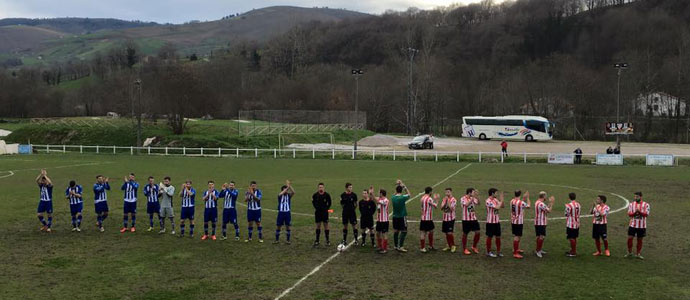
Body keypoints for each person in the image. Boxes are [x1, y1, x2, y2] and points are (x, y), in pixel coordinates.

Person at [626, 192, 650, 259]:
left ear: (641, 197)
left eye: (637, 197)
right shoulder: (631, 204)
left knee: (640, 240)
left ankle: (638, 254)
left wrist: (640, 212)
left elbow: (646, 215)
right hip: (632, 225)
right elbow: (629, 214)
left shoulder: (646, 205)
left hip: (642, 226)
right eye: (635, 197)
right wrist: (635, 212)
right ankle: (629, 252)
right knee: (629, 238)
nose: (635, 198)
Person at [391, 179, 411, 252]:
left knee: (396, 231)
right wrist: (404, 186)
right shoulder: (402, 198)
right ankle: (401, 246)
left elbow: (395, 193)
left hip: (395, 217)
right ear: (401, 190)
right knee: (404, 231)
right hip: (402, 217)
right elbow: (409, 194)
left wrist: (398, 185)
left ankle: (396, 245)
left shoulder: (393, 198)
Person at [510, 190, 530, 259]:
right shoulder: (521, 202)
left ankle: (516, 249)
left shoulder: (512, 201)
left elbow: (520, 203)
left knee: (518, 235)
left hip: (513, 220)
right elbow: (528, 206)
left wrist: (523, 198)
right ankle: (515, 253)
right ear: (520, 194)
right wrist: (527, 198)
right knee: (517, 236)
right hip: (518, 221)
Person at [485, 188, 505, 258]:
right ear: (492, 193)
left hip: (497, 222)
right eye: (496, 193)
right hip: (490, 222)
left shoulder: (495, 200)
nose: (497, 194)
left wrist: (502, 200)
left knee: (498, 237)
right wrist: (501, 200)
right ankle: (488, 252)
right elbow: (497, 208)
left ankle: (498, 251)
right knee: (489, 237)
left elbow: (502, 206)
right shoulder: (488, 201)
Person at [461, 188, 481, 255]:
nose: (474, 193)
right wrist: (472, 199)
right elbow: (466, 205)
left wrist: (477, 196)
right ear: (469, 192)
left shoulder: (473, 198)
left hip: (473, 219)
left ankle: (474, 246)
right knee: (465, 234)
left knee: (478, 232)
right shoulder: (463, 198)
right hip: (466, 219)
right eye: (473, 192)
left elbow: (478, 203)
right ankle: (464, 249)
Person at [534, 191, 554, 258]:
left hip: (537, 222)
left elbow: (546, 209)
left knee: (538, 236)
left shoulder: (538, 202)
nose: (546, 197)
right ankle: (538, 251)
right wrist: (552, 203)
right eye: (546, 196)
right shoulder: (541, 204)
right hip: (541, 223)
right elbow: (549, 211)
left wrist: (549, 203)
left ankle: (538, 249)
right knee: (541, 237)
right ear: (543, 196)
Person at [419, 186, 439, 253]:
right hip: (428, 218)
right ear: (430, 192)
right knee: (430, 231)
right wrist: (437, 199)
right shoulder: (429, 199)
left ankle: (423, 247)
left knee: (424, 232)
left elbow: (421, 207)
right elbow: (435, 206)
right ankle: (429, 246)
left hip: (423, 218)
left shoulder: (422, 198)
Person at [440, 188, 457, 253]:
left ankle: (453, 245)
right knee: (446, 233)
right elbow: (441, 208)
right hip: (445, 218)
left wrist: (448, 202)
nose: (447, 193)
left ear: (451, 192)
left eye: (448, 192)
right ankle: (449, 245)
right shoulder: (444, 199)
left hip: (451, 218)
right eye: (446, 192)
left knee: (450, 233)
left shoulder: (454, 200)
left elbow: (451, 209)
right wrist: (445, 202)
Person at [564, 192, 581, 257]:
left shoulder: (568, 205)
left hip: (571, 224)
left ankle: (573, 252)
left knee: (571, 238)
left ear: (569, 197)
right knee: (574, 237)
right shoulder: (578, 204)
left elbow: (566, 214)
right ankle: (573, 250)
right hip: (577, 223)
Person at [375, 188, 390, 254]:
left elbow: (377, 201)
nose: (378, 193)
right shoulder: (379, 198)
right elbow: (373, 199)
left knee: (384, 235)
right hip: (379, 220)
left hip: (384, 221)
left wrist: (372, 194)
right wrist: (370, 193)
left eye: (379, 192)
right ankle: (380, 246)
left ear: (381, 193)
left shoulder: (386, 200)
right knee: (378, 233)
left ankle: (384, 249)